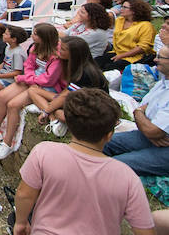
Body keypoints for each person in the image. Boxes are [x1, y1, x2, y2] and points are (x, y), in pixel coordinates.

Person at [13, 88, 155, 235]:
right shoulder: (127, 177)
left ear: (70, 126)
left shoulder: (43, 152)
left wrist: (21, 222)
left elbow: (24, 194)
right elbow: (145, 230)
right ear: (109, 135)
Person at [0, 23, 65, 160]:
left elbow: (49, 79)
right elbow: (29, 65)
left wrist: (27, 78)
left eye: (35, 34)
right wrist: (28, 77)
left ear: (45, 38)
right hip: (32, 78)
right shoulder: (34, 47)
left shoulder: (57, 55)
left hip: (45, 85)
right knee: (1, 96)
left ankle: (7, 144)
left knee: (13, 105)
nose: (32, 36)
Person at [104, 45, 169, 176]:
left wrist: (146, 123)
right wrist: (140, 113)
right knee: (100, 143)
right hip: (146, 136)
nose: (155, 60)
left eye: (160, 57)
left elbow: (153, 131)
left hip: (164, 148)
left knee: (115, 165)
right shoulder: (163, 82)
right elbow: (140, 108)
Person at [97, 0, 155, 71]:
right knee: (95, 62)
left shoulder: (146, 26)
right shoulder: (119, 20)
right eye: (121, 6)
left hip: (134, 57)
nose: (121, 9)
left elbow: (143, 47)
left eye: (124, 7)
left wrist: (122, 56)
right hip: (116, 52)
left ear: (134, 10)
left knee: (109, 68)